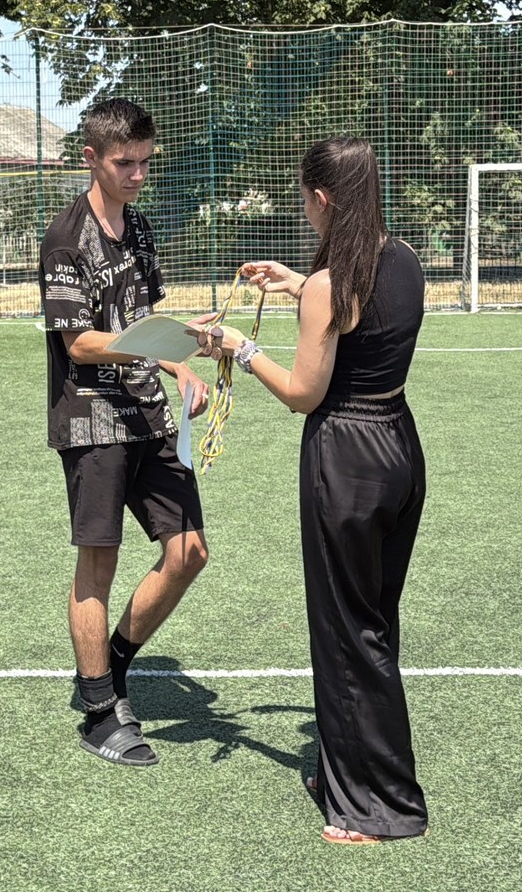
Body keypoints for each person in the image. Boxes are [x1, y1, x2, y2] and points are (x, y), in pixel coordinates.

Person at [192, 135, 430, 845]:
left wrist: (240, 348)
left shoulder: (332, 286)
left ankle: (377, 807)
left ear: (322, 198)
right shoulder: (404, 258)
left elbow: (303, 393)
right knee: (372, 622)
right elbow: (361, 309)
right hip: (399, 449)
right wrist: (298, 283)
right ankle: (347, 773)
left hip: (346, 460)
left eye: (304, 198)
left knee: (346, 630)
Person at [39, 98, 211, 768]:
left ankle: (108, 664)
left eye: (145, 161)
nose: (137, 174)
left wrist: (181, 363)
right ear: (91, 158)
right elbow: (80, 343)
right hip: (92, 421)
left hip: (149, 414)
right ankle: (99, 712)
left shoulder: (138, 225)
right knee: (99, 564)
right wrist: (156, 348)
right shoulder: (65, 239)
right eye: (124, 163)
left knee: (188, 552)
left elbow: (144, 319)